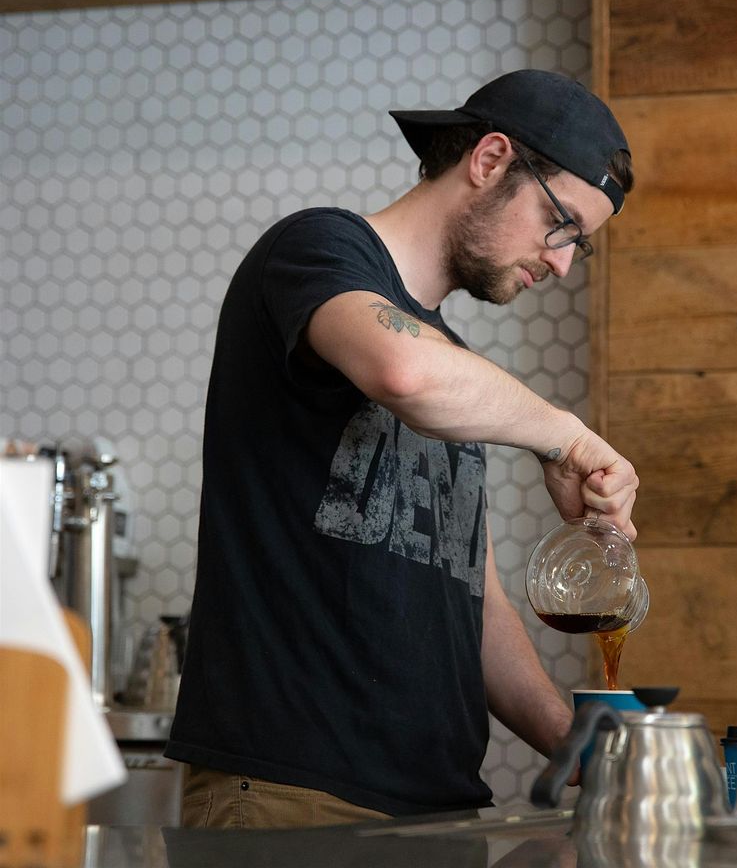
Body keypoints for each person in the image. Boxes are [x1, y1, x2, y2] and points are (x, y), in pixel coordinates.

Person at [165, 69, 639, 828]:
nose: (559, 264)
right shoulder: (318, 248)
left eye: (578, 248)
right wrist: (567, 437)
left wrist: (571, 744)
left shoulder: (455, 368)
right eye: (562, 226)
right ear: (490, 160)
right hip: (293, 793)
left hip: (437, 809)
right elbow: (401, 371)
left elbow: (473, 603)